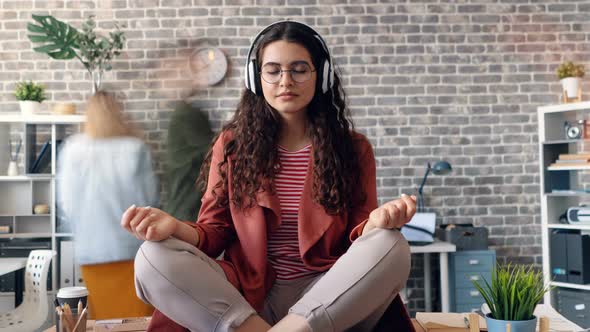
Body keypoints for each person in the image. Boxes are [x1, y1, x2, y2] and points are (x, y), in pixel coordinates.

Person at [122, 21, 416, 332]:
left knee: (390, 243)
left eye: (299, 69)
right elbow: (214, 232)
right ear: (256, 78)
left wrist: (379, 222)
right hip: (247, 300)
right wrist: (175, 228)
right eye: (273, 70)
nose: (286, 80)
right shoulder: (233, 145)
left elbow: (358, 237)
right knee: (152, 256)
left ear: (322, 76)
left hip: (328, 297)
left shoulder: (354, 148)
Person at [57, 91, 158, 319]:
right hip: (131, 248)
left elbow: (66, 203)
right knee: (137, 318)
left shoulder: (72, 149)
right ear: (118, 113)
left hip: (91, 250)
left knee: (102, 318)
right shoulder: (135, 148)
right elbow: (149, 200)